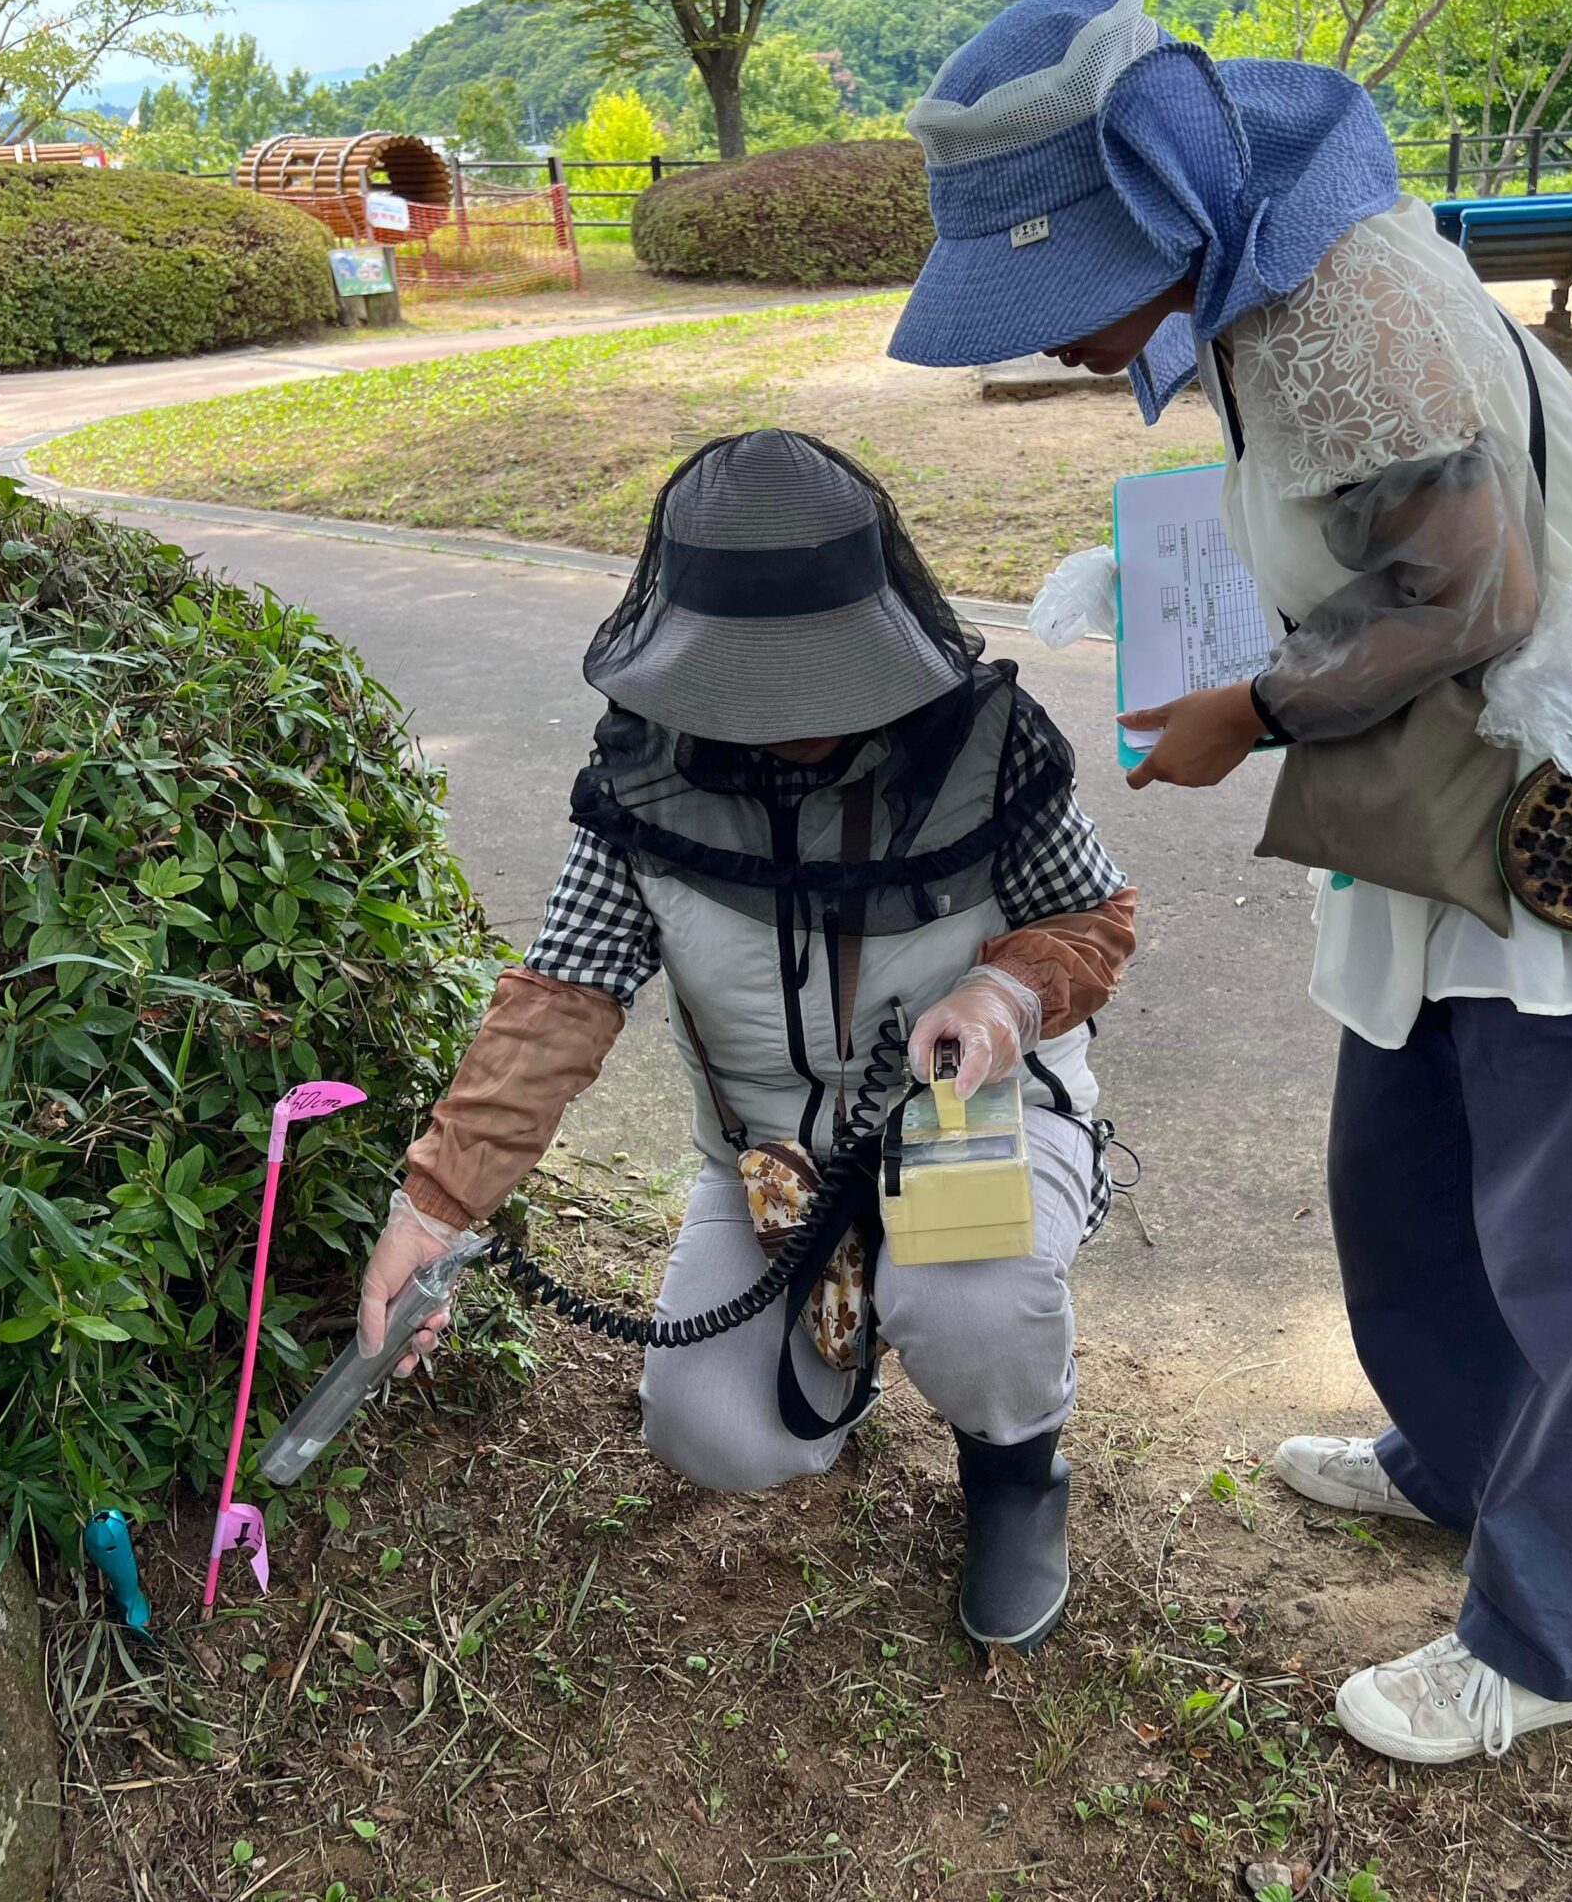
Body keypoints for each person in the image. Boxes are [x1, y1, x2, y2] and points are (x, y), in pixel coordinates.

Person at [888, 0, 1572, 1762]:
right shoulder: (1260, 284)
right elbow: (1352, 520)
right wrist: (1169, 584)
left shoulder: (1346, 300)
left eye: (1061, 296)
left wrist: (1252, 704)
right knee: (1407, 1184)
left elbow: (1473, 589)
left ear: (1148, 217)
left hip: (1569, 826)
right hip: (1437, 828)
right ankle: (1462, 1460)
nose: (1060, 348)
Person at [355, 429, 1139, 1655]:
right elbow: (560, 993)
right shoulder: (637, 783)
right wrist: (434, 1207)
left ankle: (1013, 1467)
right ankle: (847, 1340)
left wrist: (1005, 998)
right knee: (713, 1430)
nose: (794, 725)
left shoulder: (992, 744)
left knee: (965, 1299)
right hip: (767, 1155)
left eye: (825, 682)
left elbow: (1090, 918)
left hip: (959, 1117)